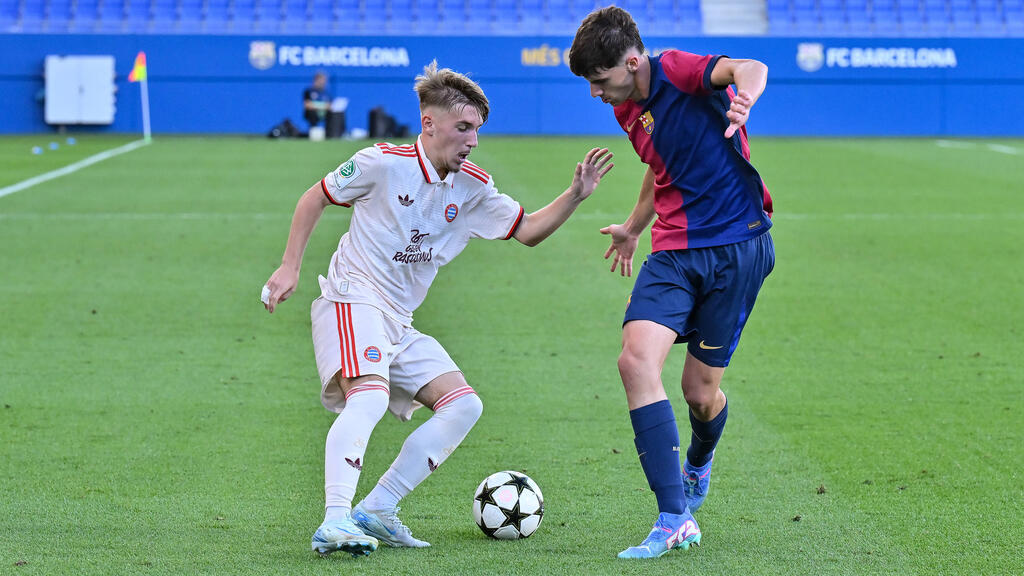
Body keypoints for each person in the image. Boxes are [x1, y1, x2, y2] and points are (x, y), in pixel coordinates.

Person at [262, 60, 613, 558]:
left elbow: (529, 230)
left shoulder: (472, 186)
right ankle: (335, 519)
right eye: (463, 127)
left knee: (464, 404)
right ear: (430, 124)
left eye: (477, 130)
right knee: (368, 397)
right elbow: (314, 199)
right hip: (352, 298)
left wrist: (576, 195)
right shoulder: (381, 163)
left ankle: (378, 508)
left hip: (398, 321)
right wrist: (289, 267)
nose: (471, 140)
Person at [568, 7, 775, 559]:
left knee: (699, 394)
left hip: (737, 246)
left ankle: (699, 463)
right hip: (675, 249)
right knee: (635, 361)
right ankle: (673, 517)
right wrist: (634, 228)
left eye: (600, 81)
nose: (596, 93)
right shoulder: (627, 107)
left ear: (633, 62)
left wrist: (745, 97)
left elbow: (749, 66)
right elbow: (659, 162)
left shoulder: (678, 69)